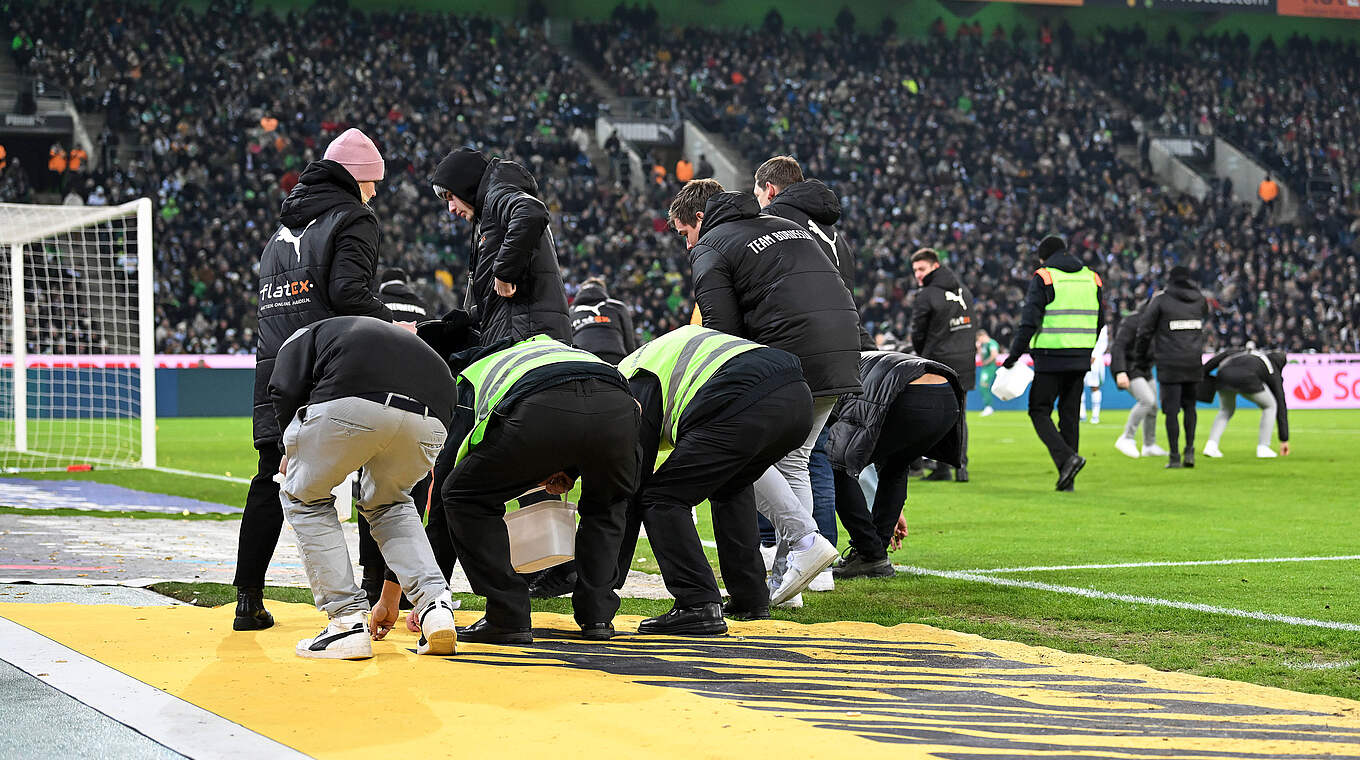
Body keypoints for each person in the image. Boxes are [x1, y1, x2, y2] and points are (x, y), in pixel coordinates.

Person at [235, 127, 395, 631]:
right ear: (360, 179)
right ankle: (374, 594)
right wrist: (392, 325)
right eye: (372, 184)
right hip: (330, 367)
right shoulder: (354, 218)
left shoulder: (277, 235)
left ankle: (247, 599)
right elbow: (349, 292)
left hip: (275, 371)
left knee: (271, 478)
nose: (374, 194)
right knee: (376, 466)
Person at [672, 178, 859, 605]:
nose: (686, 245)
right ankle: (788, 583)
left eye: (685, 233)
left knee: (735, 454)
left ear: (699, 219)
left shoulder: (712, 245)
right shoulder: (783, 225)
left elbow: (722, 334)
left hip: (793, 356)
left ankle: (805, 539)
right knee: (795, 461)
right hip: (842, 351)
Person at [269, 316, 458, 659]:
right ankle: (436, 607)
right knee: (392, 504)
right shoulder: (372, 334)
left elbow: (283, 388)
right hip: (436, 412)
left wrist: (288, 450)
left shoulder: (299, 336)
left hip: (355, 397)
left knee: (305, 497)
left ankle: (345, 621)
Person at [437, 332, 640, 644]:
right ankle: (597, 616)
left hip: (541, 406)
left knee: (463, 495)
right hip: (618, 407)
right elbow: (586, 402)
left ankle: (507, 616)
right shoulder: (567, 352)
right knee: (607, 505)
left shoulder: (474, 374)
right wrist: (567, 467)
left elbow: (451, 463)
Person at [617, 325, 814, 633]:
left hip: (743, 394)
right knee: (730, 486)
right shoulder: (649, 359)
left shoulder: (631, 380)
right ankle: (750, 597)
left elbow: (631, 481)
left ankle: (697, 603)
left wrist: (605, 579)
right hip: (797, 396)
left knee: (661, 498)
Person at [753, 155, 873, 593]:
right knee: (807, 459)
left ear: (768, 188)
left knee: (769, 455)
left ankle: (799, 551)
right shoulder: (836, 236)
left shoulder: (777, 225)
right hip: (840, 352)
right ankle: (810, 566)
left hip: (797, 352)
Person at [828, 351, 964, 579]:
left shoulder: (823, 376)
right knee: (897, 465)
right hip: (947, 393)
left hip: (906, 394)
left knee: (836, 467)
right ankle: (875, 552)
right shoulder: (849, 358)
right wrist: (892, 510)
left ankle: (870, 553)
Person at [430, 147, 570, 345]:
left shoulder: (497, 194)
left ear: (465, 185)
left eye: (451, 196)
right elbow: (506, 299)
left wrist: (504, 272)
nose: (451, 208)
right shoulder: (490, 213)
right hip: (523, 334)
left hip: (528, 341)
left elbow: (531, 212)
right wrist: (471, 318)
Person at [1003, 235, 1105, 492]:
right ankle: (1067, 478)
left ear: (1043, 256)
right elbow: (1100, 320)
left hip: (1050, 356)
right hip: (1080, 357)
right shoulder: (1091, 277)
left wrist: (1013, 356)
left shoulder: (1045, 276)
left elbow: (1029, 321)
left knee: (1039, 410)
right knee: (1069, 416)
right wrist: (1086, 348)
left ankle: (1067, 459)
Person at [357, 269, 432, 606]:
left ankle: (371, 578)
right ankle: (400, 582)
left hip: (376, 395)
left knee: (369, 491)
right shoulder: (420, 306)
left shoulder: (374, 302)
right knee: (408, 494)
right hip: (416, 397)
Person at [909, 248, 976, 482]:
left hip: (940, 362)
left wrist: (922, 354)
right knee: (960, 416)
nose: (918, 274)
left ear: (934, 266)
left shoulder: (927, 295)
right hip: (965, 361)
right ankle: (961, 468)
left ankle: (941, 467)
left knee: (935, 416)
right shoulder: (964, 291)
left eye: (922, 269)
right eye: (915, 269)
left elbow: (917, 332)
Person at [1135, 265, 1208, 469]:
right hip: (1193, 361)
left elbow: (1144, 330)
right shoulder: (1200, 299)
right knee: (1190, 408)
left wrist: (1140, 357)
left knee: (1171, 411)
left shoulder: (1161, 300)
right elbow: (1205, 316)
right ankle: (1190, 451)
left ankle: (1175, 456)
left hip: (1170, 363)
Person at [1202, 347, 1291, 459]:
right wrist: (1284, 439)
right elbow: (1280, 402)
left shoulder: (1244, 352)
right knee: (1270, 406)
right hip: (1247, 378)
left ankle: (1211, 446)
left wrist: (1201, 373)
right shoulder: (1272, 367)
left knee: (1225, 411)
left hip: (1223, 375)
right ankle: (1263, 447)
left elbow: (1221, 356)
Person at [1110, 307, 1168, 459]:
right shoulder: (1132, 321)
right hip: (1129, 367)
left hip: (1145, 368)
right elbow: (1118, 346)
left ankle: (1149, 445)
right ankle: (1126, 438)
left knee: (1154, 405)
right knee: (1147, 400)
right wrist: (1120, 371)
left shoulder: (1159, 324)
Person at [569, 277, 637, 364]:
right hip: (615, 354)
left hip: (582, 358)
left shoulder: (571, 311)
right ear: (602, 290)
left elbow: (566, 342)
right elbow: (629, 342)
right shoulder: (617, 306)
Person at [1081, 325, 1110, 424]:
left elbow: (1103, 342)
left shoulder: (1101, 326)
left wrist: (1093, 355)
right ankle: (1081, 414)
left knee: (1095, 386)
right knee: (1078, 385)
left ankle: (1095, 415)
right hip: (1081, 357)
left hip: (1095, 360)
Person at [976, 329, 1000, 417]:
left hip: (990, 367)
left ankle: (989, 407)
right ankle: (988, 406)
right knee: (983, 387)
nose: (979, 340)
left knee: (983, 385)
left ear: (983, 336)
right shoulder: (983, 345)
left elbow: (994, 355)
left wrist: (986, 362)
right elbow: (981, 357)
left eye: (979, 338)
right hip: (985, 367)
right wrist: (978, 348)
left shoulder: (992, 343)